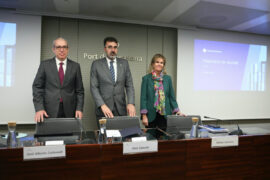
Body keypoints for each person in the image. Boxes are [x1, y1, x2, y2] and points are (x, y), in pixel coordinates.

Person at [32, 37, 84, 122]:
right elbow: (37, 88)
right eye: (58, 47)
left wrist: (79, 109)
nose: (62, 50)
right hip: (48, 110)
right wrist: (39, 108)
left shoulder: (75, 66)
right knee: (50, 134)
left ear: (68, 49)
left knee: (69, 134)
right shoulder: (45, 65)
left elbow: (80, 91)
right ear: (53, 49)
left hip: (70, 111)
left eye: (64, 47)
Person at [90, 37, 136, 125]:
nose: (113, 50)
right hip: (103, 109)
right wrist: (102, 105)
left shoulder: (124, 63)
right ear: (105, 49)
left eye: (115, 47)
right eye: (110, 47)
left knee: (121, 136)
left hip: (121, 109)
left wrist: (131, 103)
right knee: (104, 137)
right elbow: (94, 87)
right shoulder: (96, 64)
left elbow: (129, 85)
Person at [140, 54, 185, 128]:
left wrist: (178, 111)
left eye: (161, 63)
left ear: (163, 65)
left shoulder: (168, 79)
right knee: (151, 138)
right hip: (151, 116)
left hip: (165, 115)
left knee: (165, 138)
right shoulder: (146, 79)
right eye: (157, 62)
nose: (159, 64)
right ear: (152, 64)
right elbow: (143, 98)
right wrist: (144, 116)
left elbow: (171, 97)